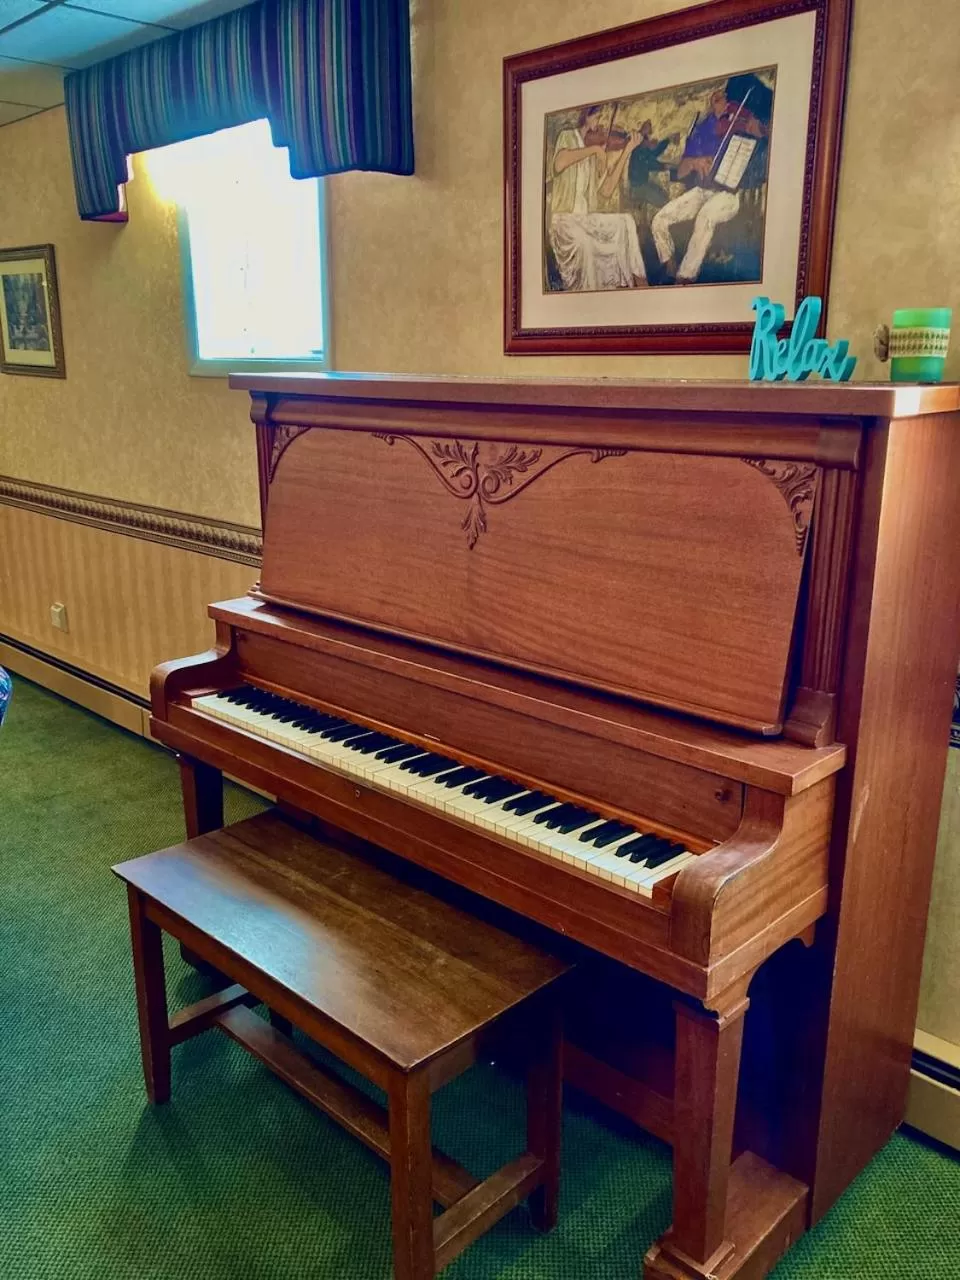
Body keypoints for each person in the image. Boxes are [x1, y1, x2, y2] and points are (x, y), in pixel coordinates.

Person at [650, 76, 771, 285]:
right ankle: (669, 266)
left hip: (729, 195)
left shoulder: (745, 123)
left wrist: (759, 130)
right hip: (701, 191)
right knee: (659, 220)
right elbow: (680, 171)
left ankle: (685, 276)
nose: (724, 103)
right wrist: (695, 162)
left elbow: (759, 136)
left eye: (724, 97)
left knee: (705, 217)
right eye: (718, 98)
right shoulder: (704, 128)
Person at [548, 104, 647, 292]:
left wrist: (627, 151)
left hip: (584, 219)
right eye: (598, 117)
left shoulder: (594, 154)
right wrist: (594, 150)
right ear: (586, 116)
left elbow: (606, 191)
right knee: (585, 243)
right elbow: (560, 163)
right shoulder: (568, 137)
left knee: (626, 221)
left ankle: (638, 283)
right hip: (564, 220)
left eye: (603, 119)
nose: (601, 124)